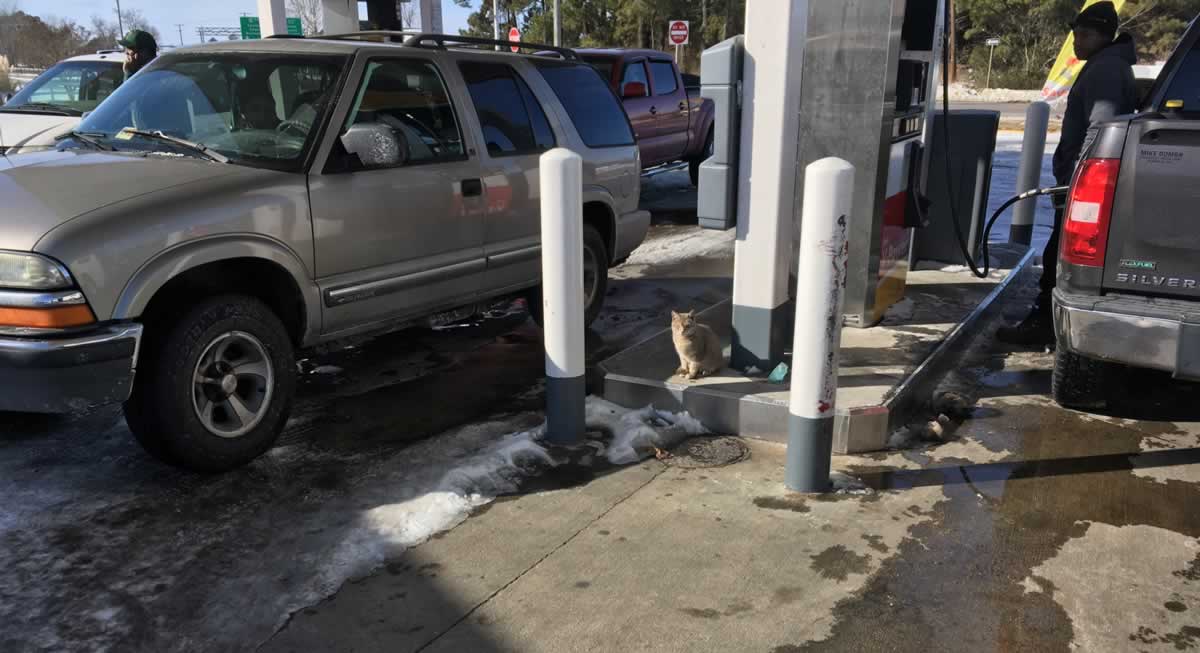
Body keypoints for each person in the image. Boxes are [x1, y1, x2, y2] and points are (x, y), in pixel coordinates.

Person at [997, 1, 1137, 346]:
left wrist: (1079, 178)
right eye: (1075, 34)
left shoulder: (1106, 70)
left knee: (1061, 251)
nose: (1077, 42)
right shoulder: (1108, 64)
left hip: (1085, 183)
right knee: (1062, 249)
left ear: (1105, 35)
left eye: (1085, 35)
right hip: (1083, 180)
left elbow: (1100, 129)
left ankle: (1044, 324)